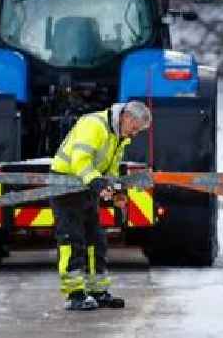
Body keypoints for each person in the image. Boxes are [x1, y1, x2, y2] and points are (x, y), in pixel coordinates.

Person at [50, 101, 152, 311]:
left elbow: (111, 168)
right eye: (134, 129)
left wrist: (115, 191)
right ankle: (75, 293)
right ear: (126, 117)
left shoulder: (118, 136)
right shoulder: (94, 125)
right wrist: (97, 183)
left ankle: (97, 292)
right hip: (66, 185)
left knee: (96, 240)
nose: (134, 134)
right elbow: (80, 160)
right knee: (72, 239)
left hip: (85, 185)